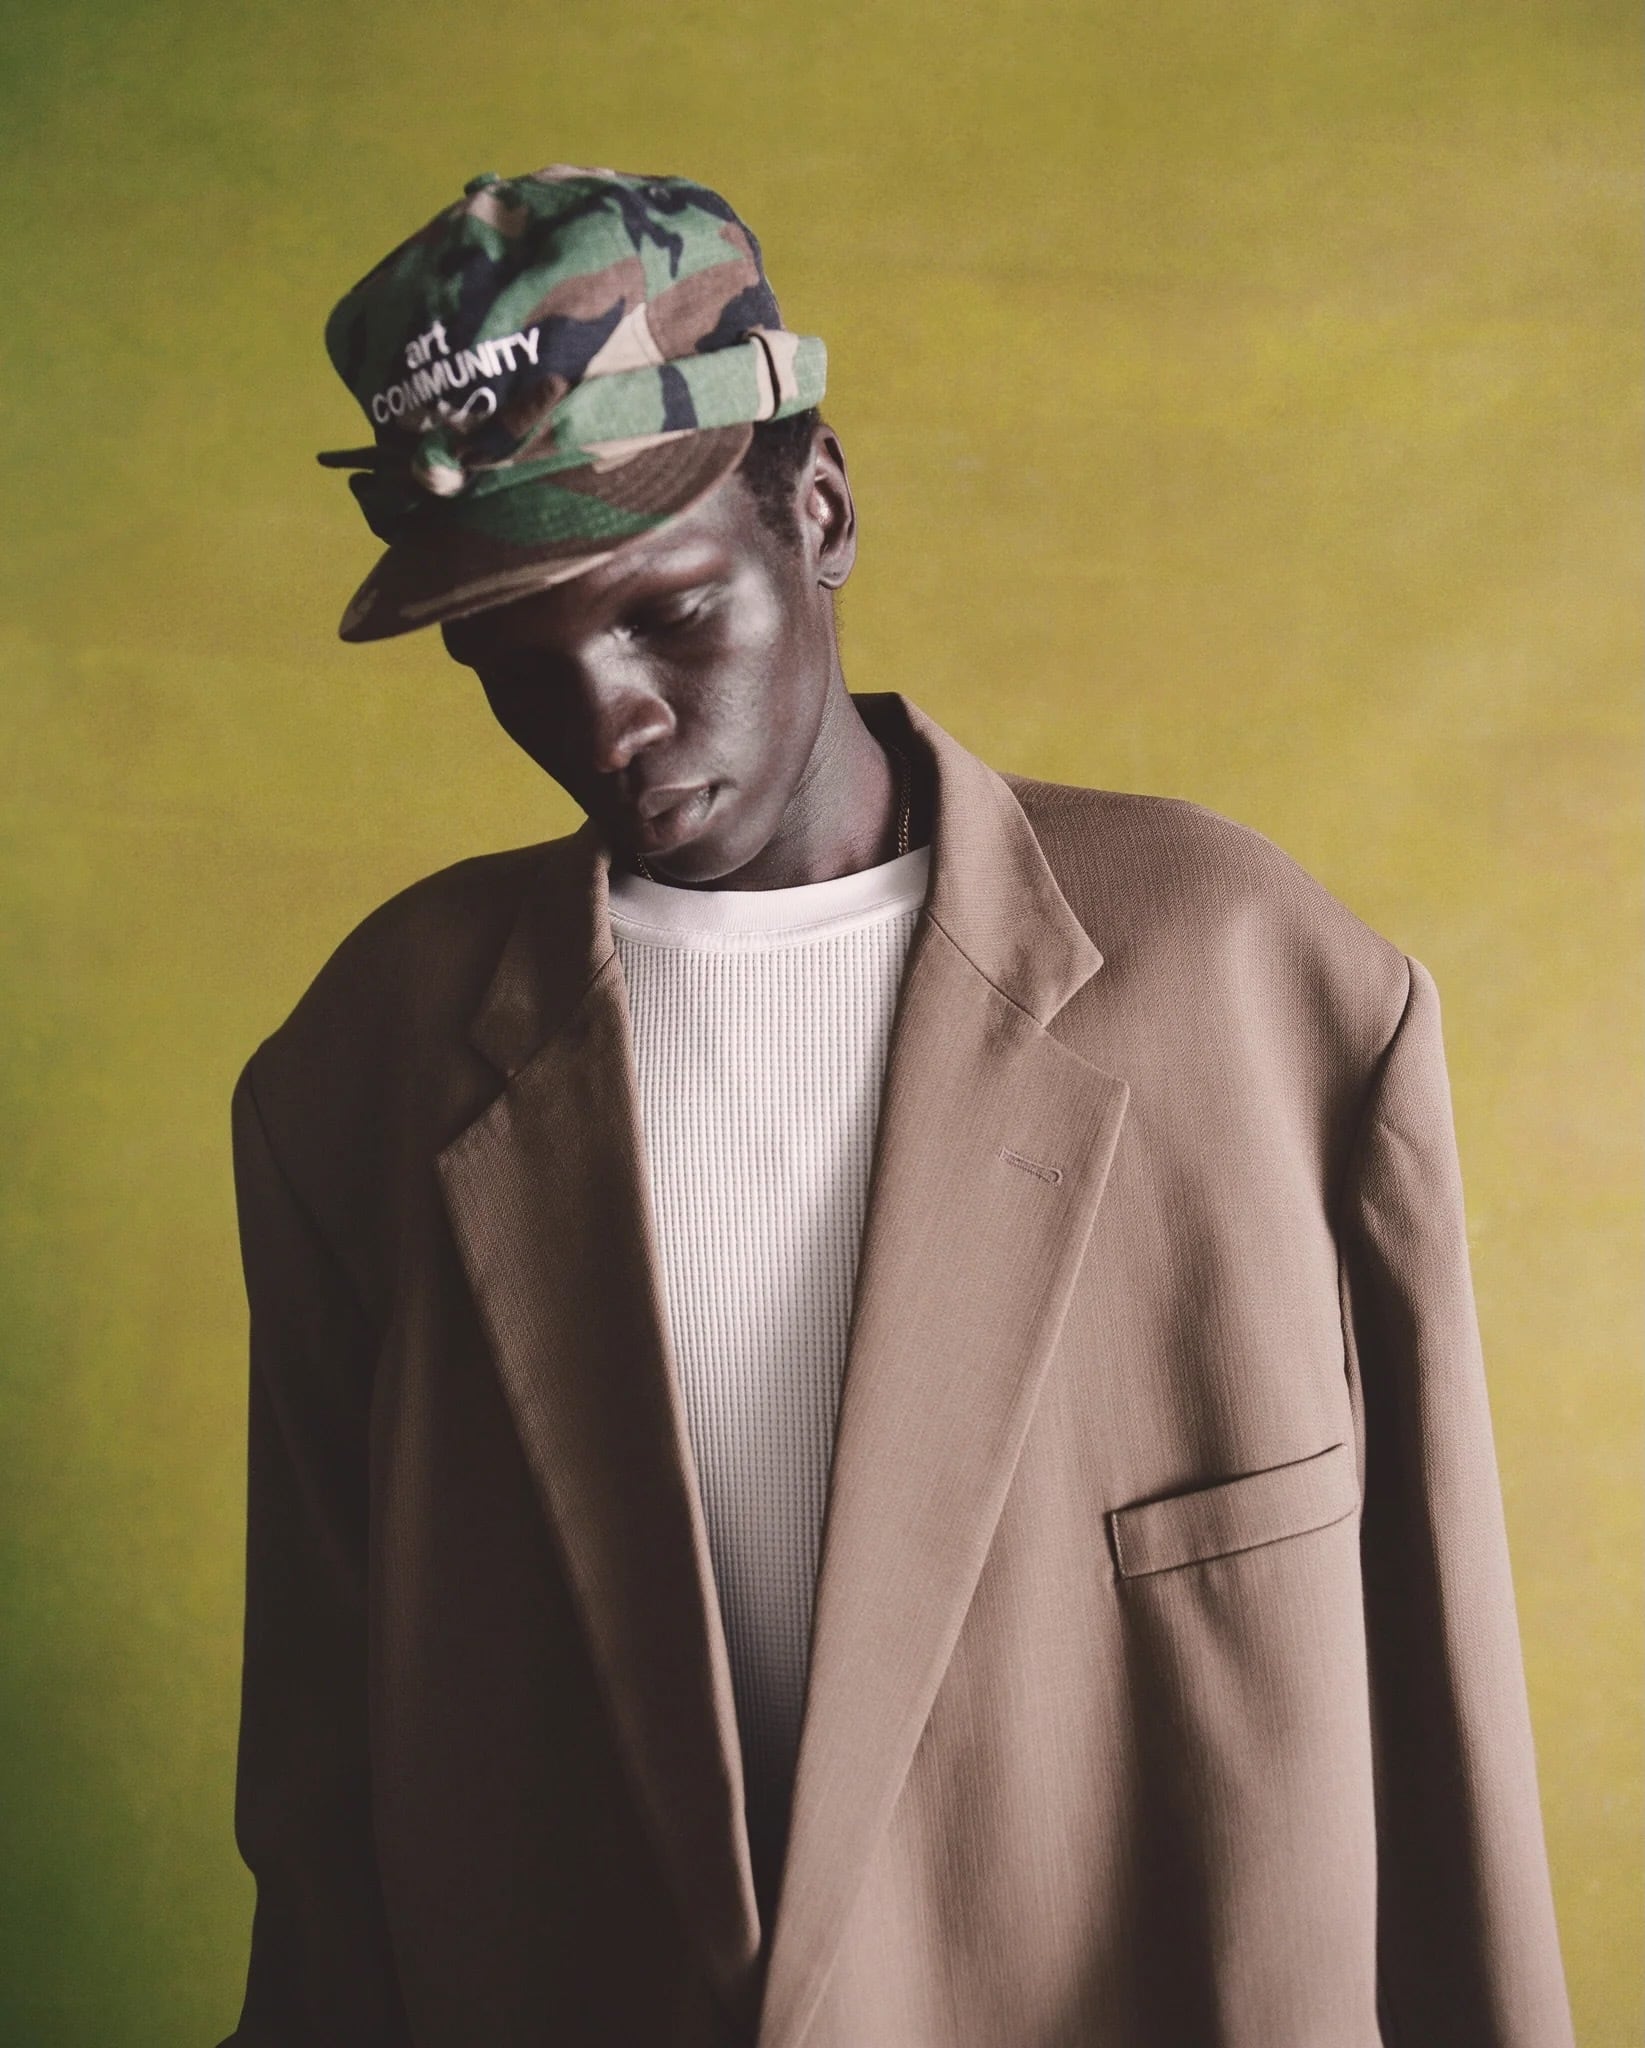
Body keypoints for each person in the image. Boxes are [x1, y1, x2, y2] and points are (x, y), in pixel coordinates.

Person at [216, 164, 1575, 2048]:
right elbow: (322, 1775)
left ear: (821, 511)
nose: (602, 720)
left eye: (669, 616)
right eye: (513, 665)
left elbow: (1437, 1697)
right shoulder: (375, 1057)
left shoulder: (1251, 979)